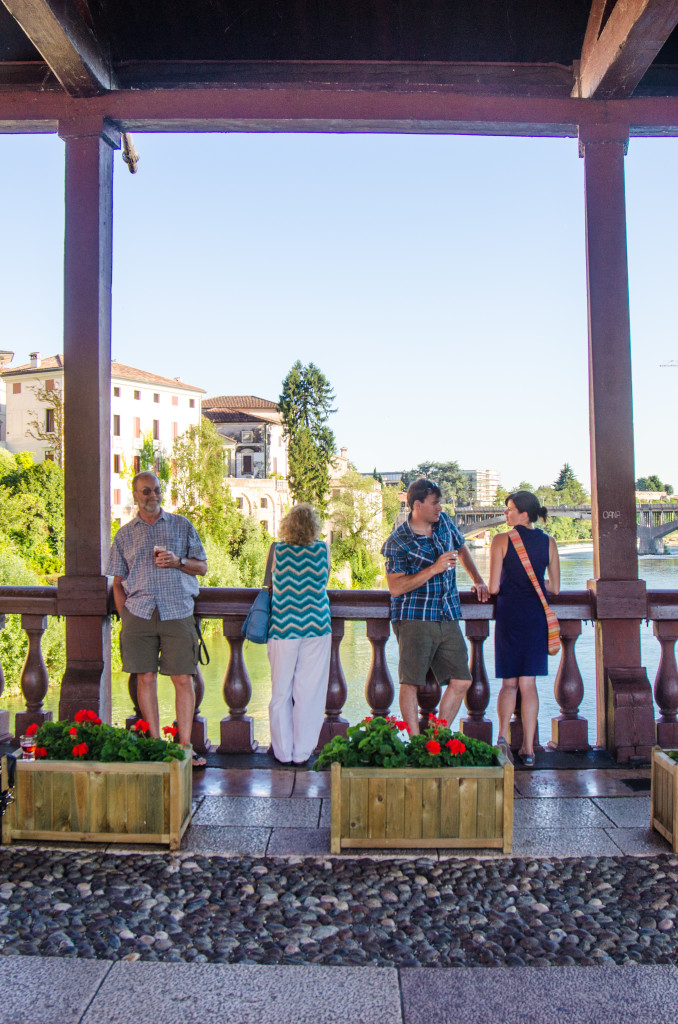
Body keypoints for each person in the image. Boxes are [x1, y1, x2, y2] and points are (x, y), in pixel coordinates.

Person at [107, 471, 208, 768]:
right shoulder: (124, 534)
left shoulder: (181, 525)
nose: (153, 496)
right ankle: (154, 747)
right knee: (145, 678)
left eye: (157, 490)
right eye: (146, 491)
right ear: (135, 496)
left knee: (183, 679)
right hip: (138, 613)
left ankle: (185, 748)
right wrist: (125, 616)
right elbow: (117, 581)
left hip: (177, 610)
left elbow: (202, 567)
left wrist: (178, 561)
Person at [381, 479, 489, 735]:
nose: (440, 507)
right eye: (435, 503)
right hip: (414, 619)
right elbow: (395, 587)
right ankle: (417, 744)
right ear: (417, 505)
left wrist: (477, 580)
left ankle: (436, 738)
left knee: (462, 679)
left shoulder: (444, 523)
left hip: (448, 614)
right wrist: (434, 568)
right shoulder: (399, 540)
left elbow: (461, 547)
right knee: (411, 683)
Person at [489, 489, 560, 767]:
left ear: (524, 514)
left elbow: (493, 587)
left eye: (509, 509)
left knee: (509, 683)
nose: (506, 513)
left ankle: (502, 738)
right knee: (528, 684)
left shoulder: (501, 540)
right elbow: (554, 587)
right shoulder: (549, 542)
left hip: (510, 616)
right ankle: (529, 749)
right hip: (535, 617)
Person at [266, 503, 331, 766]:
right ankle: (302, 752)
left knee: (281, 692)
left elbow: (269, 584)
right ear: (314, 526)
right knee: (309, 691)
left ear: (287, 525)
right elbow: (324, 582)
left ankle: (283, 752)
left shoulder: (276, 550)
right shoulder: (323, 550)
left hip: (283, 626)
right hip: (316, 626)